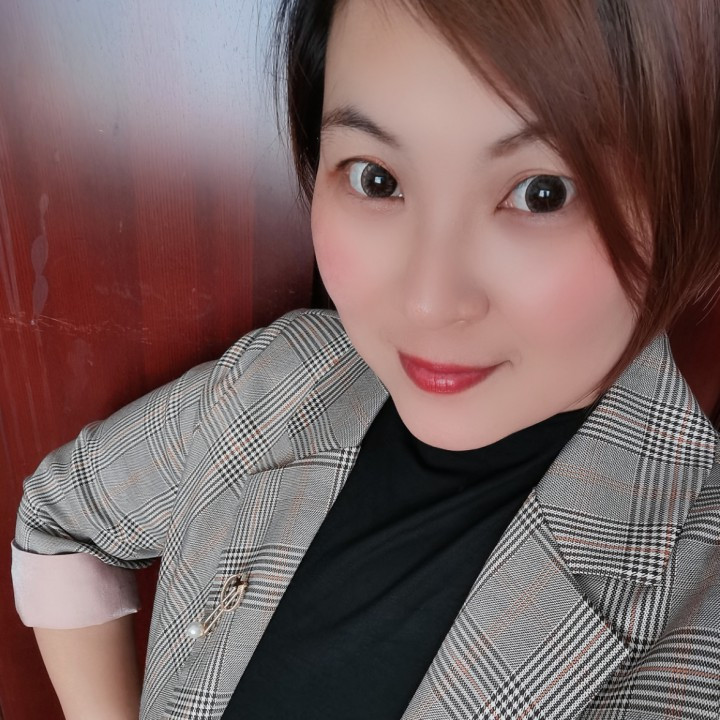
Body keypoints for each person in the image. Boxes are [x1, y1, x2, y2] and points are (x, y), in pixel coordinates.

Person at [12, 0, 720, 718]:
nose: (428, 302)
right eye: (376, 178)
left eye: (543, 193)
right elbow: (63, 518)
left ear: (687, 198)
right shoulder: (283, 379)